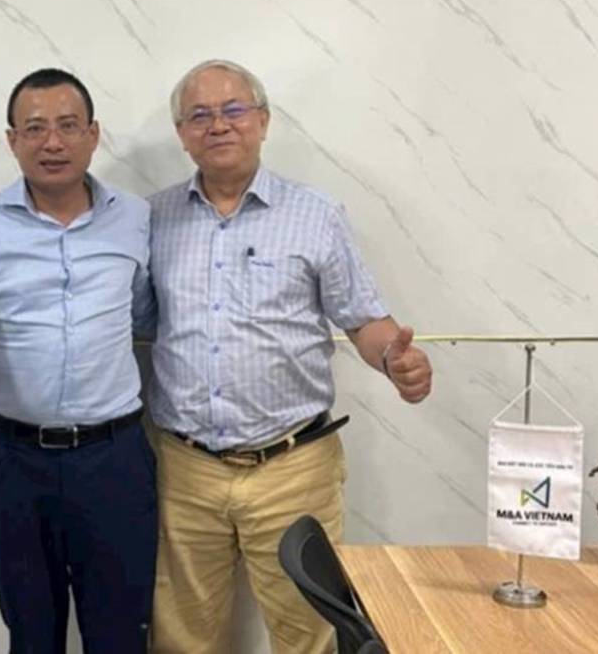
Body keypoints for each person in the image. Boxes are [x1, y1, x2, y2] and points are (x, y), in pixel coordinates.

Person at [148, 59, 433, 654]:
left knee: (310, 635)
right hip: (186, 471)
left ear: (263, 120)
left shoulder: (315, 214)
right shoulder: (152, 220)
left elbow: (363, 319)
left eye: (233, 110)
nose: (218, 125)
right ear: (182, 134)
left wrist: (395, 361)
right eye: (200, 115)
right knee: (181, 639)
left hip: (292, 466)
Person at [0, 67, 157, 654]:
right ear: (12, 140)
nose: (53, 142)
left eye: (68, 126)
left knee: (121, 637)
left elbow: (145, 313)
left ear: (93, 135)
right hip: (14, 465)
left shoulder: (136, 218)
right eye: (36, 128)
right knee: (31, 636)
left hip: (114, 462)